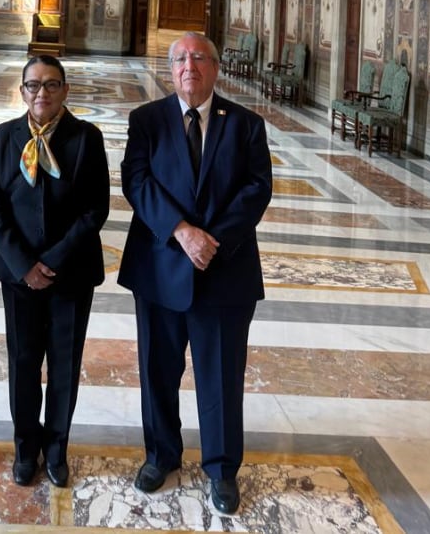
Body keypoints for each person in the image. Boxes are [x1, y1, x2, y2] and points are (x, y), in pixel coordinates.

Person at [118, 31, 272, 516]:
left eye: (200, 57)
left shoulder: (246, 124)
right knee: (157, 371)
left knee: (221, 375)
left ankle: (222, 469)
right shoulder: (146, 120)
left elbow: (257, 188)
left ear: (215, 68)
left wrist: (212, 240)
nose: (190, 66)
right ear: (171, 70)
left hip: (224, 271)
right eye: (181, 59)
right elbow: (135, 181)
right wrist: (181, 232)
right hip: (161, 265)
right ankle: (161, 454)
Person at [0, 55, 110, 488]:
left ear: (65, 91)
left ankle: (56, 449)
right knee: (22, 362)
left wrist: (52, 261)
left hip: (70, 274)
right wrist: (24, 264)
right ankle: (24, 448)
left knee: (64, 365)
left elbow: (96, 209)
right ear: (21, 92)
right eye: (33, 85)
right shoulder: (5, 137)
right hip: (18, 275)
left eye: (51, 85)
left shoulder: (87, 138)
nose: (42, 93)